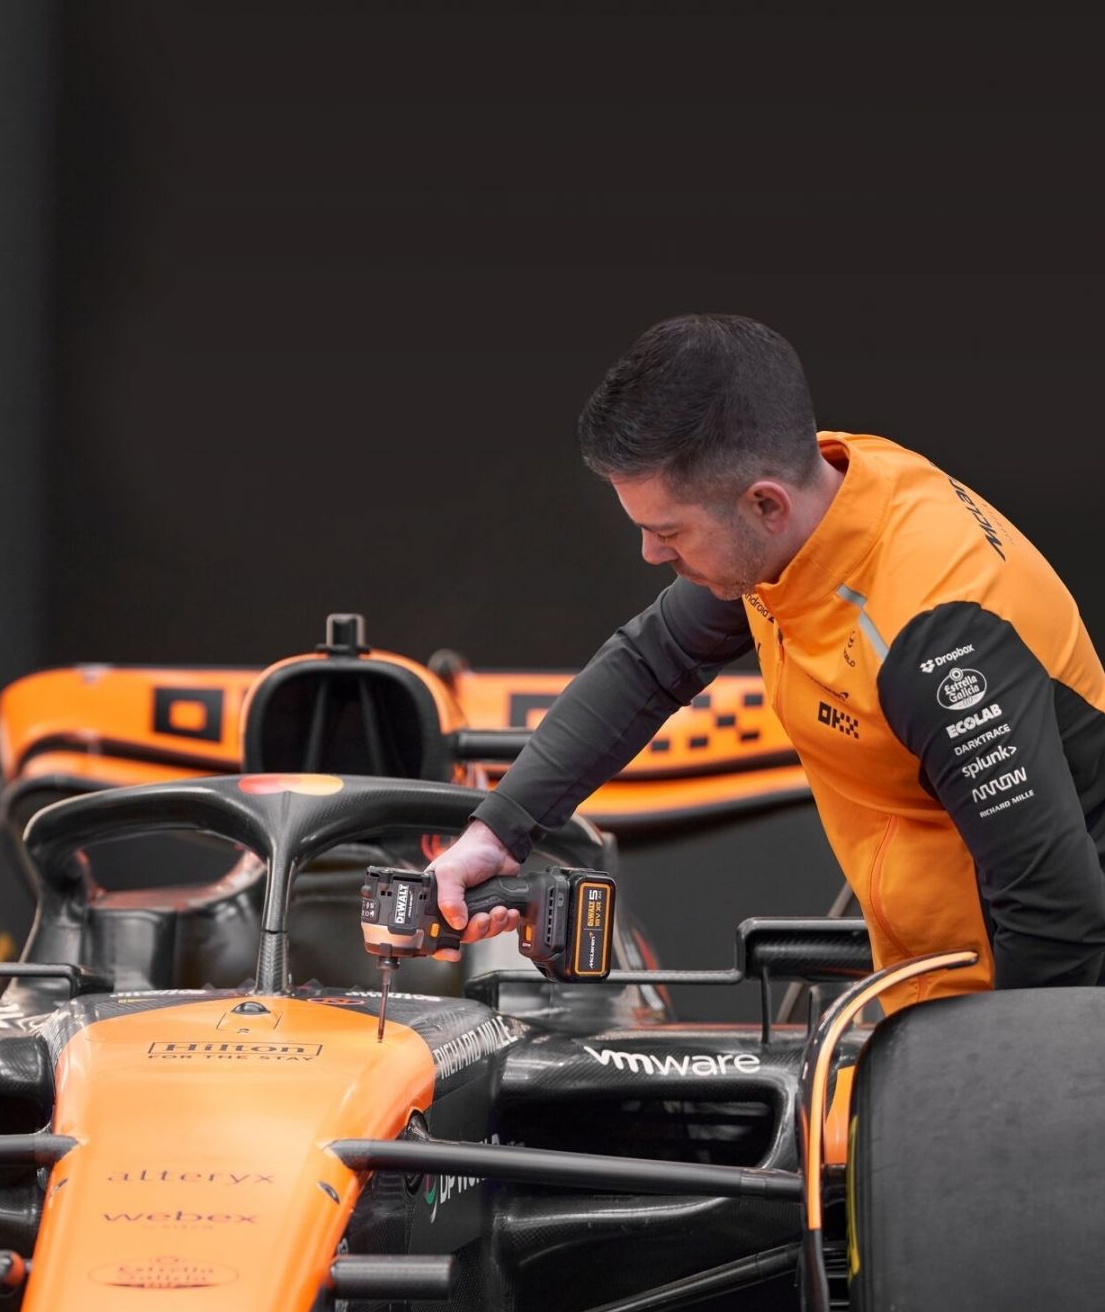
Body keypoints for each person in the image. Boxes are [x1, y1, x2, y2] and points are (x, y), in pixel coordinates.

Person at [429, 314, 1105, 1005]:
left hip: (1042, 999)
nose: (651, 554)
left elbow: (1057, 920)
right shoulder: (809, 516)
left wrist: (994, 1068)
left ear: (764, 505)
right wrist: (498, 832)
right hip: (939, 981)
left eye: (668, 531)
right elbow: (649, 661)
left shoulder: (932, 636)